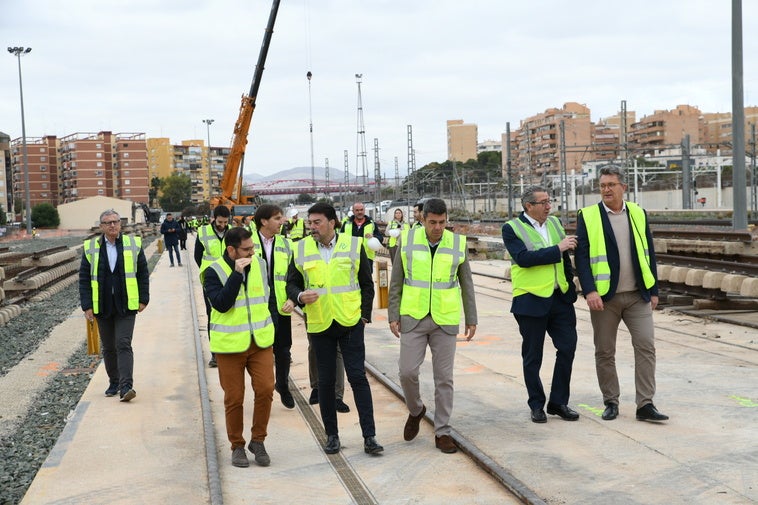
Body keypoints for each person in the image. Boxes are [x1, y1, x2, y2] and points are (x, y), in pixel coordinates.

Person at [286, 202, 383, 456]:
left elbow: (366, 283)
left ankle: (370, 436)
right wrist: (298, 297)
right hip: (319, 324)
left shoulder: (353, 245)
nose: (312, 227)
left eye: (317, 222)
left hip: (350, 322)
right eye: (310, 223)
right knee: (326, 383)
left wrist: (364, 315)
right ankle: (332, 436)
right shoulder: (301, 248)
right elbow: (291, 284)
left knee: (358, 378)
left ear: (332, 222)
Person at [575, 165, 668, 423]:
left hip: (638, 295)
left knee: (646, 346)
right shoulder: (588, 215)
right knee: (605, 351)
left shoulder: (638, 213)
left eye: (611, 185)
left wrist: (654, 290)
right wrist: (589, 290)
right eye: (602, 185)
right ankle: (611, 401)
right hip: (605, 298)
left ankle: (645, 404)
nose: (606, 189)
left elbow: (648, 252)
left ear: (622, 187)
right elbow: (581, 256)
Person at [388, 198, 477, 454]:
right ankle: (416, 410)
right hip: (413, 317)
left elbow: (466, 284)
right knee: (407, 372)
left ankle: (443, 431)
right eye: (433, 222)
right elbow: (396, 281)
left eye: (442, 222)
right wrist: (393, 313)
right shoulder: (407, 241)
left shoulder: (456, 243)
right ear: (422, 220)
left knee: (444, 379)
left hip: (445, 319)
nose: (438, 227)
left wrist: (471, 317)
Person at [502, 186, 579, 424]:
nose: (549, 206)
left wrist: (570, 288)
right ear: (528, 206)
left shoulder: (554, 224)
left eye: (549, 201)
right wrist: (557, 249)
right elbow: (524, 259)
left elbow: (565, 258)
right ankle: (536, 404)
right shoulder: (512, 228)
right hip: (530, 300)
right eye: (543, 202)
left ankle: (558, 402)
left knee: (567, 348)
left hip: (559, 298)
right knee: (533, 356)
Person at [203, 226, 276, 468]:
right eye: (246, 249)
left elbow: (267, 297)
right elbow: (222, 304)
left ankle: (258, 440)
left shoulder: (261, 265)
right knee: (234, 397)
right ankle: (237, 446)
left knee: (266, 389)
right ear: (231, 249)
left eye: (253, 247)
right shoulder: (212, 271)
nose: (252, 252)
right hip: (230, 345)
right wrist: (236, 274)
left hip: (260, 341)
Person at [79, 210, 149, 402]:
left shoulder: (133, 244)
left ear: (120, 224)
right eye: (108, 222)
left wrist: (144, 298)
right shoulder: (90, 247)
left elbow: (142, 273)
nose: (112, 225)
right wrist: (87, 305)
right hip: (102, 305)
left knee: (123, 344)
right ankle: (114, 381)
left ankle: (126, 386)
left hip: (126, 305)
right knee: (109, 347)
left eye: (115, 222)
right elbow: (84, 279)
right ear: (101, 226)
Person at [252, 204, 296, 409]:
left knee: (283, 350)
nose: (282, 221)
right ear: (264, 221)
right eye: (277, 218)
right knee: (260, 350)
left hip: (280, 304)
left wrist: (292, 298)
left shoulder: (286, 245)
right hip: (256, 306)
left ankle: (283, 384)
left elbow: (293, 276)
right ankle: (262, 389)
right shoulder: (247, 241)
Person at [195, 205, 232, 367]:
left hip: (230, 281)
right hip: (212, 283)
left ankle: (230, 348)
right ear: (214, 218)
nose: (223, 225)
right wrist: (209, 274)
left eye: (225, 222)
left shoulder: (232, 232)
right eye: (220, 222)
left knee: (231, 315)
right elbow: (197, 256)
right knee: (213, 316)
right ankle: (215, 354)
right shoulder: (203, 232)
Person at [340, 201, 383, 272]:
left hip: (367, 258)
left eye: (361, 210)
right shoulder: (347, 224)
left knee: (366, 281)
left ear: (364, 210)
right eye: (357, 210)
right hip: (350, 257)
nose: (359, 212)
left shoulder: (371, 224)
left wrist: (373, 236)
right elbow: (340, 239)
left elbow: (380, 238)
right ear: (353, 211)